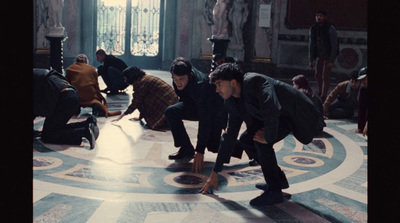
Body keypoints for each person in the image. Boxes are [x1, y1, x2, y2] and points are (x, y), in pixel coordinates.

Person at [200, 63, 325, 206]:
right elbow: (230, 136)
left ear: (233, 82)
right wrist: (215, 172)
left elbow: (271, 106)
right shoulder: (231, 102)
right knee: (246, 139)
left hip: (297, 115)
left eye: (219, 84)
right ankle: (278, 179)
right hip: (278, 116)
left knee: (260, 140)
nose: (217, 90)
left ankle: (274, 191)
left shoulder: (254, 81)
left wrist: (267, 136)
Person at [165, 57, 227, 172]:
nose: (178, 82)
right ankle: (186, 149)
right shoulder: (177, 77)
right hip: (194, 105)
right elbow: (184, 98)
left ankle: (247, 146)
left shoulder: (202, 85)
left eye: (181, 79)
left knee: (213, 146)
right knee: (171, 111)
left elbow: (205, 119)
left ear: (190, 74)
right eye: (175, 79)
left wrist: (200, 151)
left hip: (215, 110)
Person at [33, 68, 98, 149]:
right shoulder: (39, 72)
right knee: (56, 129)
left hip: (64, 100)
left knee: (48, 135)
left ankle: (84, 131)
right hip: (71, 95)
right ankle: (87, 123)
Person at [112, 66, 179, 130]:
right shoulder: (143, 79)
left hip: (168, 102)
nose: (125, 80)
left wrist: (121, 116)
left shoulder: (141, 83)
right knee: (142, 98)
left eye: (125, 78)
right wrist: (140, 117)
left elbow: (136, 102)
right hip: (171, 100)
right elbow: (141, 100)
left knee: (153, 122)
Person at [308, 9, 339, 101]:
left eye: (321, 16)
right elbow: (311, 44)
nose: (319, 17)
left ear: (325, 17)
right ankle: (320, 92)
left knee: (325, 76)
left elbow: (334, 45)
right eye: (317, 16)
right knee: (317, 75)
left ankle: (324, 95)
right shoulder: (313, 28)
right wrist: (311, 59)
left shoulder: (330, 28)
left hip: (328, 56)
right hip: (319, 56)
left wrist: (332, 60)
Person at [355, 67, 367, 136]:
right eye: (362, 80)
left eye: (365, 79)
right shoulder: (363, 90)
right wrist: (360, 127)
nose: (363, 82)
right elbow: (361, 108)